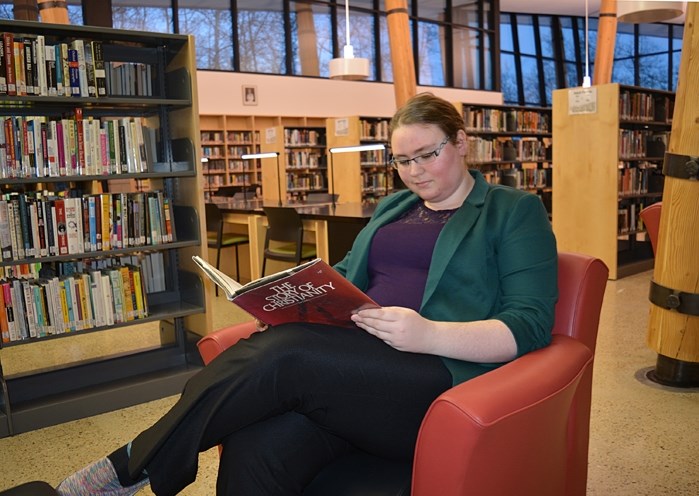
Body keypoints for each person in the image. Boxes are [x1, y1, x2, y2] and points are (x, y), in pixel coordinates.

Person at [55, 92, 557, 496]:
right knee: (256, 441)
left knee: (288, 353)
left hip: (434, 377)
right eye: (402, 160)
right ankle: (138, 467)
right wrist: (285, 297)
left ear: (462, 142)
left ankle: (129, 468)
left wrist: (429, 333)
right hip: (353, 364)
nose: (415, 171)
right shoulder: (394, 205)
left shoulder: (512, 210)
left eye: (428, 154)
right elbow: (347, 272)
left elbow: (530, 325)